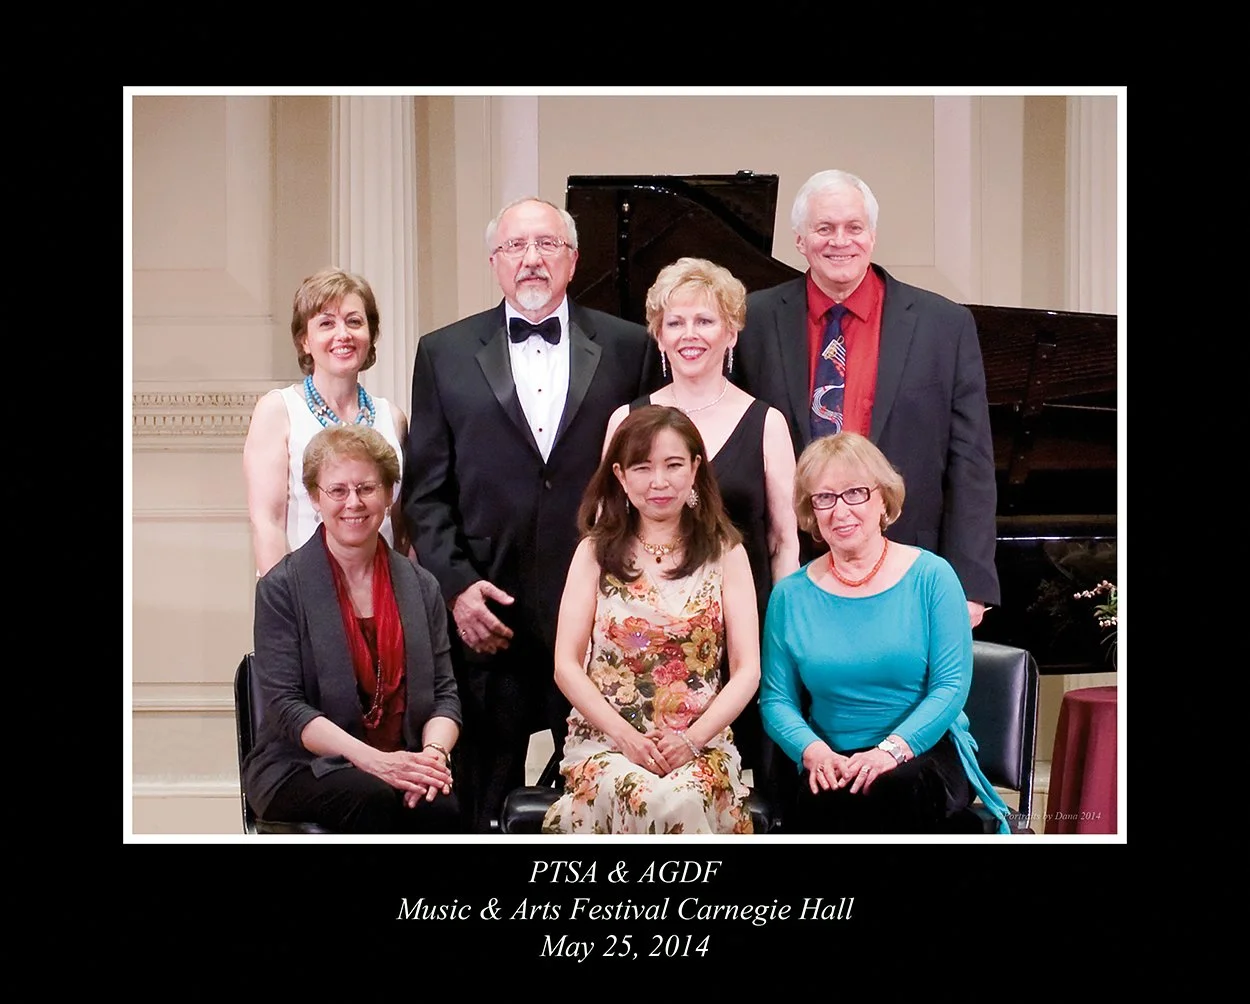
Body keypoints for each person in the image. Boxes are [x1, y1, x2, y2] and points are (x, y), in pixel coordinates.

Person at [403, 196, 660, 833]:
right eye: (515, 246)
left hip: (599, 610)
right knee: (482, 803)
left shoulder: (629, 346)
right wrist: (458, 589)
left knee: (602, 797)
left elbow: (650, 478)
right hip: (488, 614)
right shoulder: (442, 351)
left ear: (573, 259)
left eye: (547, 244)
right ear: (494, 261)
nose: (532, 259)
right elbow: (425, 494)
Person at [736, 169, 999, 627]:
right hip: (786, 571)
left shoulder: (944, 325)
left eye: (853, 227)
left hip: (909, 567)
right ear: (800, 240)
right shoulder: (752, 321)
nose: (840, 241)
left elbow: (971, 461)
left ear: (872, 236)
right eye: (824, 228)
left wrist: (969, 584)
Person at [604, 257, 798, 799]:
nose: (690, 334)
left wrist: (780, 635)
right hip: (648, 641)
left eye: (705, 321)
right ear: (659, 336)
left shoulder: (768, 422)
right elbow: (607, 531)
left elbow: (784, 541)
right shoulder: (626, 420)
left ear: (731, 332)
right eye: (676, 322)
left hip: (745, 634)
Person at [760, 432, 1011, 834]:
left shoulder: (932, 577)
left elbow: (950, 687)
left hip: (921, 751)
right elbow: (777, 700)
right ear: (811, 512)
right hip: (832, 757)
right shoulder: (790, 596)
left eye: (855, 493)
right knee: (826, 797)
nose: (840, 510)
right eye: (824, 498)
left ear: (883, 500)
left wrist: (890, 752)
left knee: (890, 789)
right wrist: (813, 751)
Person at [542, 406, 758, 834]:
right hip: (606, 744)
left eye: (673, 465)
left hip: (700, 746)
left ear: (695, 468)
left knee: (680, 798)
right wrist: (626, 738)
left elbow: (747, 670)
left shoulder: (727, 552)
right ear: (620, 476)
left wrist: (691, 741)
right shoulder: (593, 553)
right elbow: (565, 665)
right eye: (642, 467)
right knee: (640, 794)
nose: (659, 481)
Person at [242, 425, 461, 833]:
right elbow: (288, 709)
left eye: (367, 488)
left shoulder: (422, 586)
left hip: (402, 757)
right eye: (337, 490)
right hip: (300, 765)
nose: (353, 503)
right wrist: (375, 762)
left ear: (389, 494)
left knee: (441, 806)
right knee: (372, 797)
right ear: (315, 498)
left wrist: (433, 755)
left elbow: (445, 695)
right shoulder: (281, 588)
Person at [244, 267, 410, 577]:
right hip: (306, 589)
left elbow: (401, 529)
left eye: (354, 321)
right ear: (304, 341)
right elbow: (267, 523)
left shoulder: (393, 417)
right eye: (326, 323)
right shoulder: (277, 411)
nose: (343, 334)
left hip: (383, 590)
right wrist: (285, 600)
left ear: (371, 335)